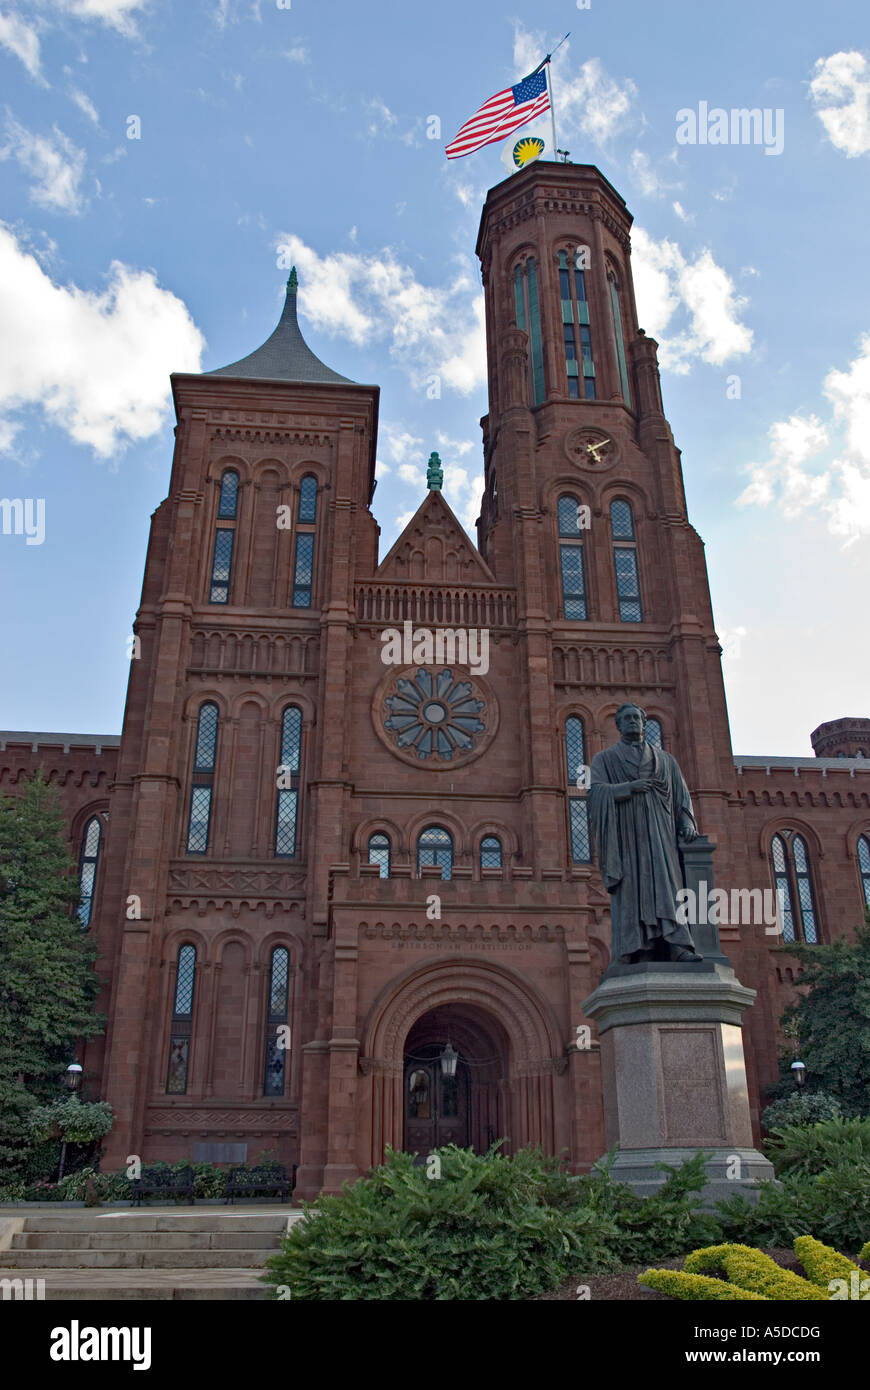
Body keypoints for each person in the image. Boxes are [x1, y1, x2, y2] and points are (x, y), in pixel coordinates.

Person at [587, 703, 703, 965]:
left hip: (662, 838)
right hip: (628, 838)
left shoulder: (666, 760)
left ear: (644, 722)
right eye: (626, 718)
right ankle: (640, 946)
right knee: (633, 891)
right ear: (617, 725)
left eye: (636, 718)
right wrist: (630, 787)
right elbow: (595, 794)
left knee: (668, 888)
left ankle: (678, 946)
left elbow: (682, 797)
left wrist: (687, 823)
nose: (631, 722)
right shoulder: (604, 760)